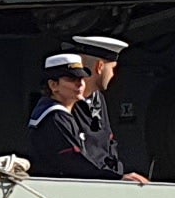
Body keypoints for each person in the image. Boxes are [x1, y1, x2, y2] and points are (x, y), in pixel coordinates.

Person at [23, 54, 115, 178]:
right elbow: (75, 163)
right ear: (53, 85)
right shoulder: (54, 117)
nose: (80, 84)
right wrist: (116, 178)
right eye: (72, 79)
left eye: (81, 78)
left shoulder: (62, 115)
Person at [72, 33, 148, 181]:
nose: (113, 75)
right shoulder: (66, 104)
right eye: (112, 68)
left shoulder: (98, 99)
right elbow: (74, 160)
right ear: (100, 67)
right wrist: (116, 178)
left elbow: (107, 143)